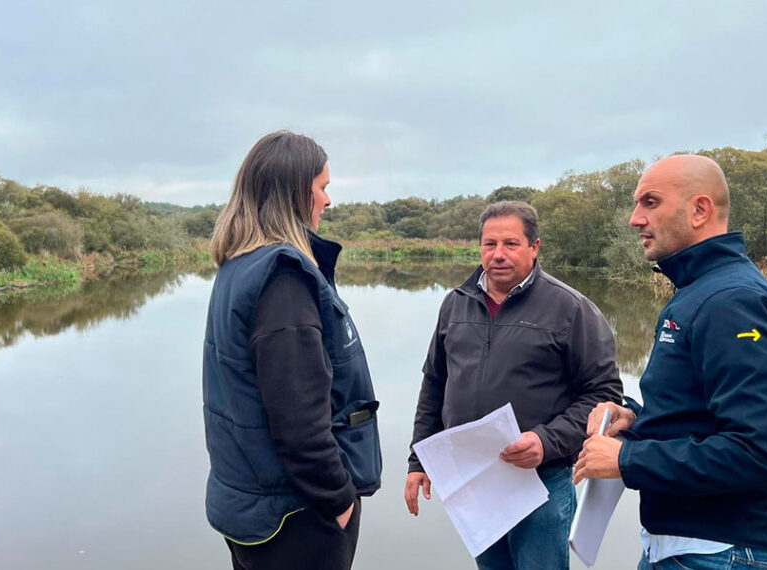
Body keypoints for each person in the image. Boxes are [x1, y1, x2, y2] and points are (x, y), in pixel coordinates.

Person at [572, 154, 767, 570]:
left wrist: (627, 460)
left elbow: (755, 453)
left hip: (723, 553)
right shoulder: (701, 289)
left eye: (649, 202)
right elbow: (700, 418)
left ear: (700, 209)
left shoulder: (730, 302)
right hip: (693, 548)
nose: (634, 218)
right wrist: (635, 420)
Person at [405, 201, 623, 570]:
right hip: (475, 483)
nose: (498, 254)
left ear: (535, 247)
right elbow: (434, 386)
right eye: (490, 244)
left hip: (541, 485)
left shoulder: (571, 308)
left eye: (511, 243)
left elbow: (604, 397)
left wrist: (546, 440)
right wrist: (418, 460)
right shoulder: (455, 304)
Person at [202, 130, 382, 570]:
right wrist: (339, 502)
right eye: (322, 187)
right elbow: (300, 420)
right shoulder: (283, 279)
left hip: (252, 506)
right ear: (296, 194)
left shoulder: (240, 265)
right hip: (295, 516)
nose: (328, 200)